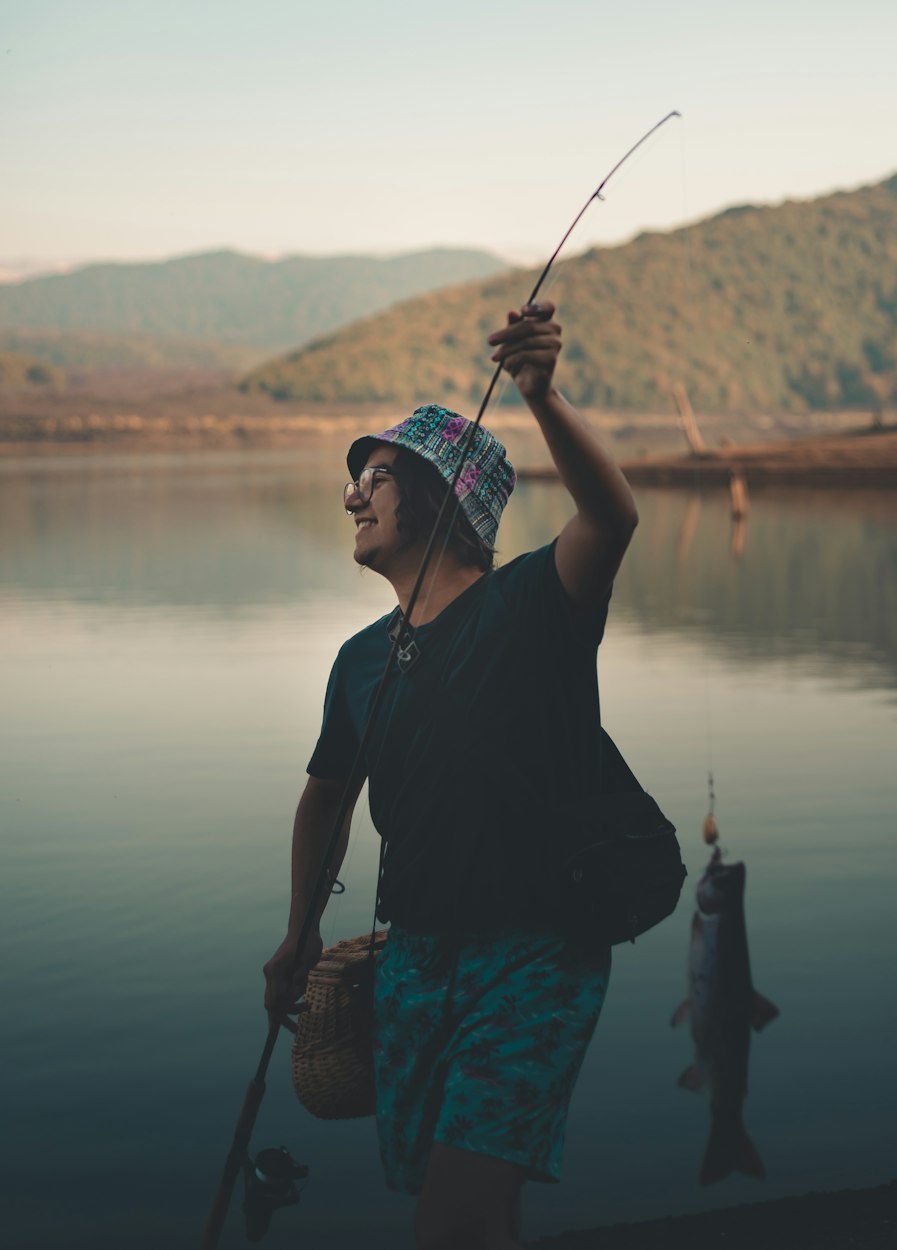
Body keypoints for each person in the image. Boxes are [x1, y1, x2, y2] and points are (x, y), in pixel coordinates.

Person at [263, 300, 639, 1250]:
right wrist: (299, 929)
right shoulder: (358, 659)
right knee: (472, 1203)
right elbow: (326, 796)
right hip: (415, 961)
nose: (352, 496)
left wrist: (540, 396)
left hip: (535, 954)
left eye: (375, 478)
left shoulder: (533, 607)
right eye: (354, 480)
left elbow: (614, 514)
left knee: (454, 1216)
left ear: (440, 498)